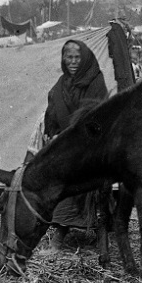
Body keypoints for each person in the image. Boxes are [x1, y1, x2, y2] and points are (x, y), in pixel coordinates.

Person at [43, 40, 109, 252]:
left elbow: (96, 120)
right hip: (66, 146)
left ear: (85, 59)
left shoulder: (96, 82)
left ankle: (60, 236)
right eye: (68, 57)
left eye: (76, 58)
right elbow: (51, 118)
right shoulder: (61, 84)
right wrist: (53, 136)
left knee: (72, 172)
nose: (72, 62)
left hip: (92, 147)